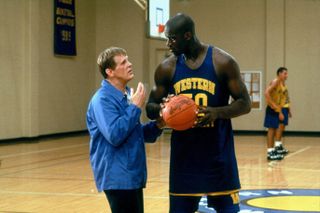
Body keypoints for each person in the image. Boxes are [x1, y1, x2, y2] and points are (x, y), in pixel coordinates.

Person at [146, 13, 251, 213]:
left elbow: (245, 103)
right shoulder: (166, 68)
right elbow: (151, 106)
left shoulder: (222, 62)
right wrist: (163, 110)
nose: (168, 44)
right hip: (184, 159)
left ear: (187, 35)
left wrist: (216, 112)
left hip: (218, 157)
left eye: (172, 38)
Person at [86, 47, 164, 213]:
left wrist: (159, 124)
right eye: (123, 62)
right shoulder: (102, 100)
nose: (130, 64)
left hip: (132, 175)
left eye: (128, 60)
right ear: (110, 71)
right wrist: (135, 107)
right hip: (117, 177)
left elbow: (135, 134)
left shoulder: (127, 94)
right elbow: (115, 134)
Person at [264, 67, 291, 161]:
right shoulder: (275, 81)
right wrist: (273, 106)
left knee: (274, 129)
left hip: (277, 109)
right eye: (285, 73)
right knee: (271, 130)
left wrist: (279, 110)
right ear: (279, 74)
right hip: (272, 109)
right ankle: (270, 152)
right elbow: (266, 93)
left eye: (287, 74)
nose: (286, 76)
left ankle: (272, 150)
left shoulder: (280, 83)